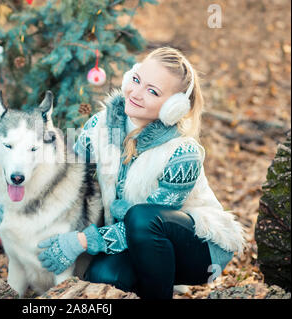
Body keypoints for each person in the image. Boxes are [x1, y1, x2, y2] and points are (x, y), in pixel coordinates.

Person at [37, 47, 247, 299]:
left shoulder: (182, 153)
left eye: (152, 91)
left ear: (174, 107)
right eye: (136, 80)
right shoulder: (98, 126)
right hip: (134, 243)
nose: (136, 93)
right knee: (106, 278)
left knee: (140, 218)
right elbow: (70, 177)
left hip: (195, 249)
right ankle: (146, 283)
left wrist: (82, 241)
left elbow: (145, 224)